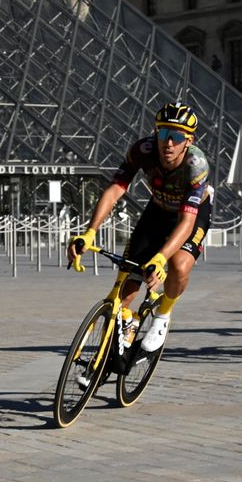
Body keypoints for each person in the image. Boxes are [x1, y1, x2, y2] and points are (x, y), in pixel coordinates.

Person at [66, 102, 212, 353]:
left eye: (177, 137)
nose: (168, 143)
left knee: (178, 264)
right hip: (158, 210)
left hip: (191, 215)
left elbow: (187, 222)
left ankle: (163, 315)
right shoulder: (142, 150)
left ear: (188, 141)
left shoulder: (195, 165)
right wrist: (90, 233)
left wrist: (161, 258)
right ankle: (119, 337)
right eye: (163, 133)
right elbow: (115, 190)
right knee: (126, 288)